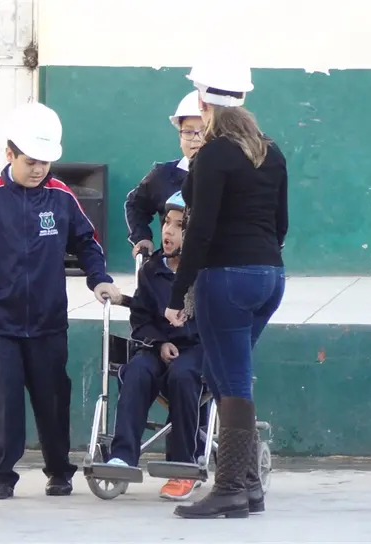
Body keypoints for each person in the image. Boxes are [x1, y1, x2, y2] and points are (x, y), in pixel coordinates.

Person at [0, 102, 122, 500]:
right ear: (9, 153)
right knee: (4, 401)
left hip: (49, 321)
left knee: (53, 400)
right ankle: (0, 475)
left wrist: (98, 279)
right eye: (31, 161)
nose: (39, 170)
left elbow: (87, 243)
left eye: (46, 162)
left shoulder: (62, 197)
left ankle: (59, 471)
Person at [164, 65, 288, 519]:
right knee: (223, 375)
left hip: (227, 278)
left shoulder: (212, 155)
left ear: (203, 103)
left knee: (231, 380)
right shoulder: (269, 152)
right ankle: (249, 487)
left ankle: (231, 487)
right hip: (269, 276)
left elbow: (199, 231)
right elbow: (282, 224)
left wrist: (178, 295)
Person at [104, 191, 208, 501]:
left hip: (196, 350)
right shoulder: (151, 270)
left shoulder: (207, 274)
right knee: (136, 371)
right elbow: (141, 317)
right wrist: (160, 342)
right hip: (156, 348)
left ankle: (181, 465)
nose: (168, 231)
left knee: (183, 377)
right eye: (166, 223)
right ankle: (122, 456)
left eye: (179, 225)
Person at [124, 90, 205, 258]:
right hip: (172, 272)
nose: (196, 139)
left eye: (204, 131)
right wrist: (142, 238)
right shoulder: (163, 175)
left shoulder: (232, 174)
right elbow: (135, 204)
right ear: (179, 135)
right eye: (188, 132)